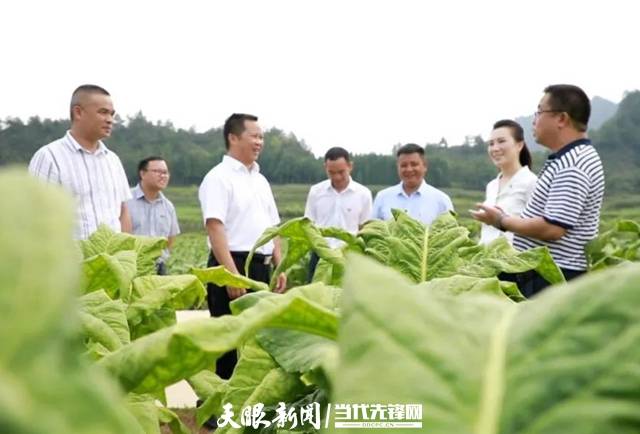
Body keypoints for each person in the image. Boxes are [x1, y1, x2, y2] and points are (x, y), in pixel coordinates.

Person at [471, 84, 605, 297]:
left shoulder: (573, 163)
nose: (534, 120)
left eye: (539, 112)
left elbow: (553, 228)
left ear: (561, 119)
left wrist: (501, 221)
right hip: (544, 275)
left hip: (555, 277)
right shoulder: (565, 159)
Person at [198, 113, 287, 380]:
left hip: (260, 265)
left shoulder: (260, 180)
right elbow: (215, 227)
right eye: (254, 136)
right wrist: (230, 274)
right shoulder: (218, 177)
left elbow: (274, 226)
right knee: (228, 337)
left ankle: (250, 405)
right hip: (231, 263)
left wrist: (279, 264)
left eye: (262, 137)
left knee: (259, 337)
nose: (259, 142)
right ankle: (221, 407)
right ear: (233, 137)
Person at [28, 84, 132, 239]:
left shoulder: (113, 160)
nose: (110, 120)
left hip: (112, 260)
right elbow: (35, 215)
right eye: (103, 112)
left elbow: (123, 212)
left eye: (112, 114)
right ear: (78, 112)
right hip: (71, 261)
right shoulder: (49, 157)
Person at [304, 146, 372, 279]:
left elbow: (365, 229)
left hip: (350, 256)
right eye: (331, 172)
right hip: (321, 255)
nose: (337, 177)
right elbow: (308, 225)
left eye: (341, 172)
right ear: (325, 168)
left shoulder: (363, 194)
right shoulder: (316, 192)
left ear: (350, 166)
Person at [479, 120, 537, 245]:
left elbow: (538, 229)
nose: (495, 148)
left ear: (519, 145)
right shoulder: (491, 186)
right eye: (491, 143)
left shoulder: (531, 182)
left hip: (516, 261)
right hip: (486, 260)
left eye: (501, 141)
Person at [372, 143, 453, 224]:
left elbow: (451, 233)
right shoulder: (382, 197)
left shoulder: (441, 200)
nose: (409, 169)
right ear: (398, 168)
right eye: (403, 165)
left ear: (425, 166)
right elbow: (372, 230)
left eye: (414, 164)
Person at [127, 156, 180, 274]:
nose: (163, 176)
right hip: (131, 267)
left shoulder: (168, 206)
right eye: (157, 171)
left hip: (158, 268)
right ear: (142, 174)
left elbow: (170, 239)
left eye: (165, 172)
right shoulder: (126, 201)